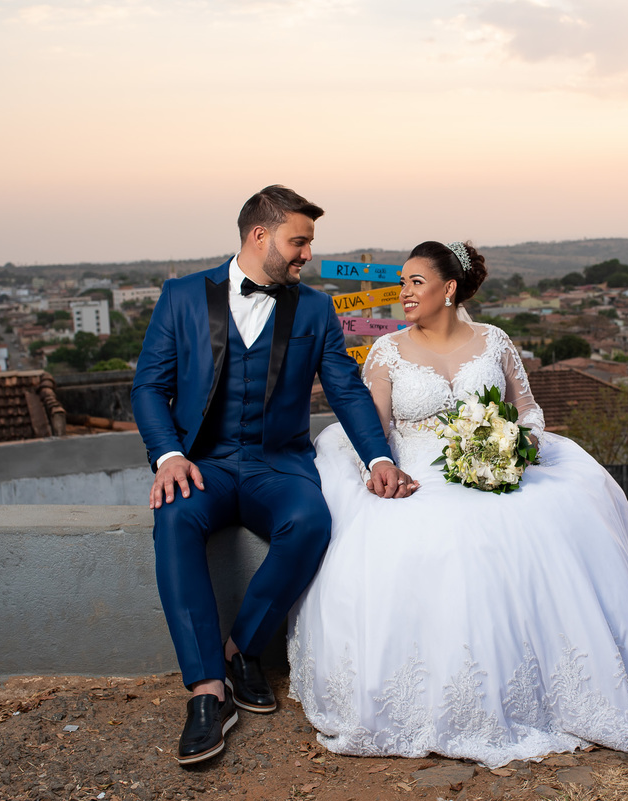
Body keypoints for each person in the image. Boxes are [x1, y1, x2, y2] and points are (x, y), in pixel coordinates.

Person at [288, 240, 628, 768]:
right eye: (401, 283)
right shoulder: (387, 351)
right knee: (445, 539)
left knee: (549, 525)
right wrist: (380, 470)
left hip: (496, 464)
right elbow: (372, 430)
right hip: (418, 469)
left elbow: (528, 410)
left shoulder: (495, 340)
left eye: (415, 282)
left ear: (449, 288)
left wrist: (518, 445)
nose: (403, 293)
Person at [131, 185, 417, 766]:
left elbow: (345, 390)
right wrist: (168, 456)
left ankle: (241, 649)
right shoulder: (181, 296)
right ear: (260, 235)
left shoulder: (314, 308)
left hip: (277, 464)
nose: (307, 254)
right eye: (299, 241)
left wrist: (379, 458)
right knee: (173, 519)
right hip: (203, 465)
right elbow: (148, 387)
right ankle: (207, 691)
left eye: (308, 243)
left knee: (310, 522)